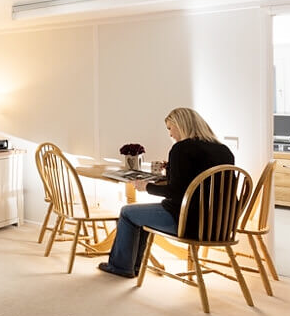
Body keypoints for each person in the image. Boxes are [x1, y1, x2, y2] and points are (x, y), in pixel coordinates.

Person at [97, 107, 235, 278]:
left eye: (170, 128)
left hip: (188, 223)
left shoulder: (181, 148)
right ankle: (133, 266)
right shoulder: (223, 150)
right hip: (219, 225)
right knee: (140, 215)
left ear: (180, 125)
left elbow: (175, 192)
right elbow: (198, 183)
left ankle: (121, 267)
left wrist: (146, 187)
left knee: (127, 212)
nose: (170, 134)